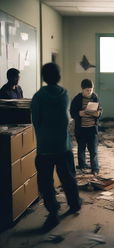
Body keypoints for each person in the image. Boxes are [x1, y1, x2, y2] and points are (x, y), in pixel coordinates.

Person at [31, 63, 82, 231]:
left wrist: (43, 134)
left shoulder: (38, 96)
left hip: (45, 146)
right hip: (63, 145)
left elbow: (36, 121)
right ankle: (74, 204)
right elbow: (66, 119)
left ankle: (53, 212)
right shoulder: (64, 94)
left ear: (44, 77)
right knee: (68, 177)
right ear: (59, 76)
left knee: (46, 181)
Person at [70, 79, 102, 175]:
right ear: (82, 90)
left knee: (93, 150)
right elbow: (72, 112)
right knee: (81, 149)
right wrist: (79, 113)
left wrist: (98, 113)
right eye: (87, 90)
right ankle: (82, 165)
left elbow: (100, 109)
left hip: (92, 128)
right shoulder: (77, 99)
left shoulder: (95, 97)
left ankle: (95, 168)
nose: (89, 92)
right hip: (81, 129)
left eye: (91, 90)